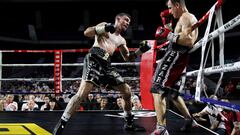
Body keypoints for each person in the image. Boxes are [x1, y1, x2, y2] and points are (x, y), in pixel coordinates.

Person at [52, 13, 146, 135]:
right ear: (118, 19)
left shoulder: (121, 40)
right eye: (126, 20)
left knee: (127, 91)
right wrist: (105, 28)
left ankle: (129, 123)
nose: (128, 23)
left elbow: (128, 58)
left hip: (107, 64)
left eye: (129, 22)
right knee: (81, 94)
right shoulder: (104, 25)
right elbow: (87, 32)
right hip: (95, 58)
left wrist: (140, 51)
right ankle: (61, 125)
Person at [149, 0, 199, 134]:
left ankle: (161, 128)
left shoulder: (187, 17)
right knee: (171, 92)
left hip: (175, 57)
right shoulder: (182, 19)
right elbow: (176, 35)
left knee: (157, 88)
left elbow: (189, 41)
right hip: (176, 57)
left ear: (177, 5)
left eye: (171, 8)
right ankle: (189, 120)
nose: (170, 11)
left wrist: (168, 35)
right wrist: (166, 24)